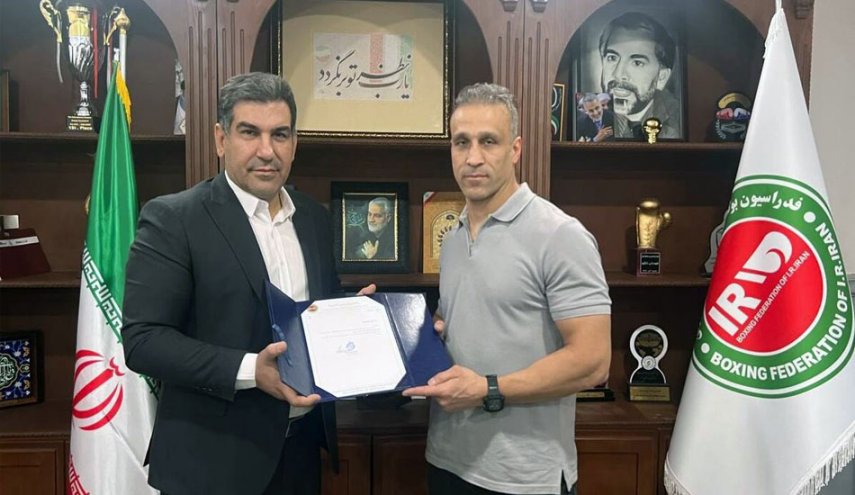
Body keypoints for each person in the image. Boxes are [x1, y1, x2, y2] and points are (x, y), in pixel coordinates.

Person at [122, 72, 372, 495]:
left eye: (280, 134)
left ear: (294, 143)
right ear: (221, 140)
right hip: (210, 465)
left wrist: (355, 317)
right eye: (249, 132)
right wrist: (250, 370)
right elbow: (143, 340)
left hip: (300, 452)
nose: (266, 151)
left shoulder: (314, 218)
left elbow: (310, 315)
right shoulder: (174, 219)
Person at [403, 83, 612, 495]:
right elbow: (464, 321)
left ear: (515, 149)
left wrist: (488, 389)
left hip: (523, 477)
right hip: (447, 460)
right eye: (461, 142)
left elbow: (593, 362)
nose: (473, 157)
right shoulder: (453, 236)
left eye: (489, 142)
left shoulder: (560, 235)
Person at [599, 11, 682, 139]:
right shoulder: (590, 115)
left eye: (637, 63)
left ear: (661, 77)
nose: (618, 74)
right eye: (612, 58)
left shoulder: (678, 120)